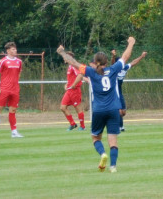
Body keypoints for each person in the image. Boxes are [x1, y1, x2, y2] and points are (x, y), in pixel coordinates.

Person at [57, 36, 136, 173]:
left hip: (99, 110)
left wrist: (62, 52)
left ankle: (102, 154)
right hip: (113, 110)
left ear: (96, 62)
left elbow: (73, 62)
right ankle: (113, 167)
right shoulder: (113, 70)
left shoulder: (90, 72)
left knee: (95, 138)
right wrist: (131, 43)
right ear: (106, 62)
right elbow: (125, 56)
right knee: (113, 140)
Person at [111, 50, 148, 132]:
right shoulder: (114, 69)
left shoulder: (125, 67)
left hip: (119, 91)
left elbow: (134, 62)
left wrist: (141, 56)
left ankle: (118, 125)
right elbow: (112, 63)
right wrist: (113, 56)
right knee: (118, 110)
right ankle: (119, 126)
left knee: (123, 112)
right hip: (113, 92)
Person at [60, 51, 86, 131]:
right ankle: (73, 124)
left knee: (78, 108)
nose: (64, 58)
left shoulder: (73, 66)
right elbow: (72, 77)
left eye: (66, 57)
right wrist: (67, 84)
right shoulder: (70, 66)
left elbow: (80, 75)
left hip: (75, 90)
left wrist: (74, 85)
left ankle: (82, 126)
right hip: (69, 91)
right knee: (62, 107)